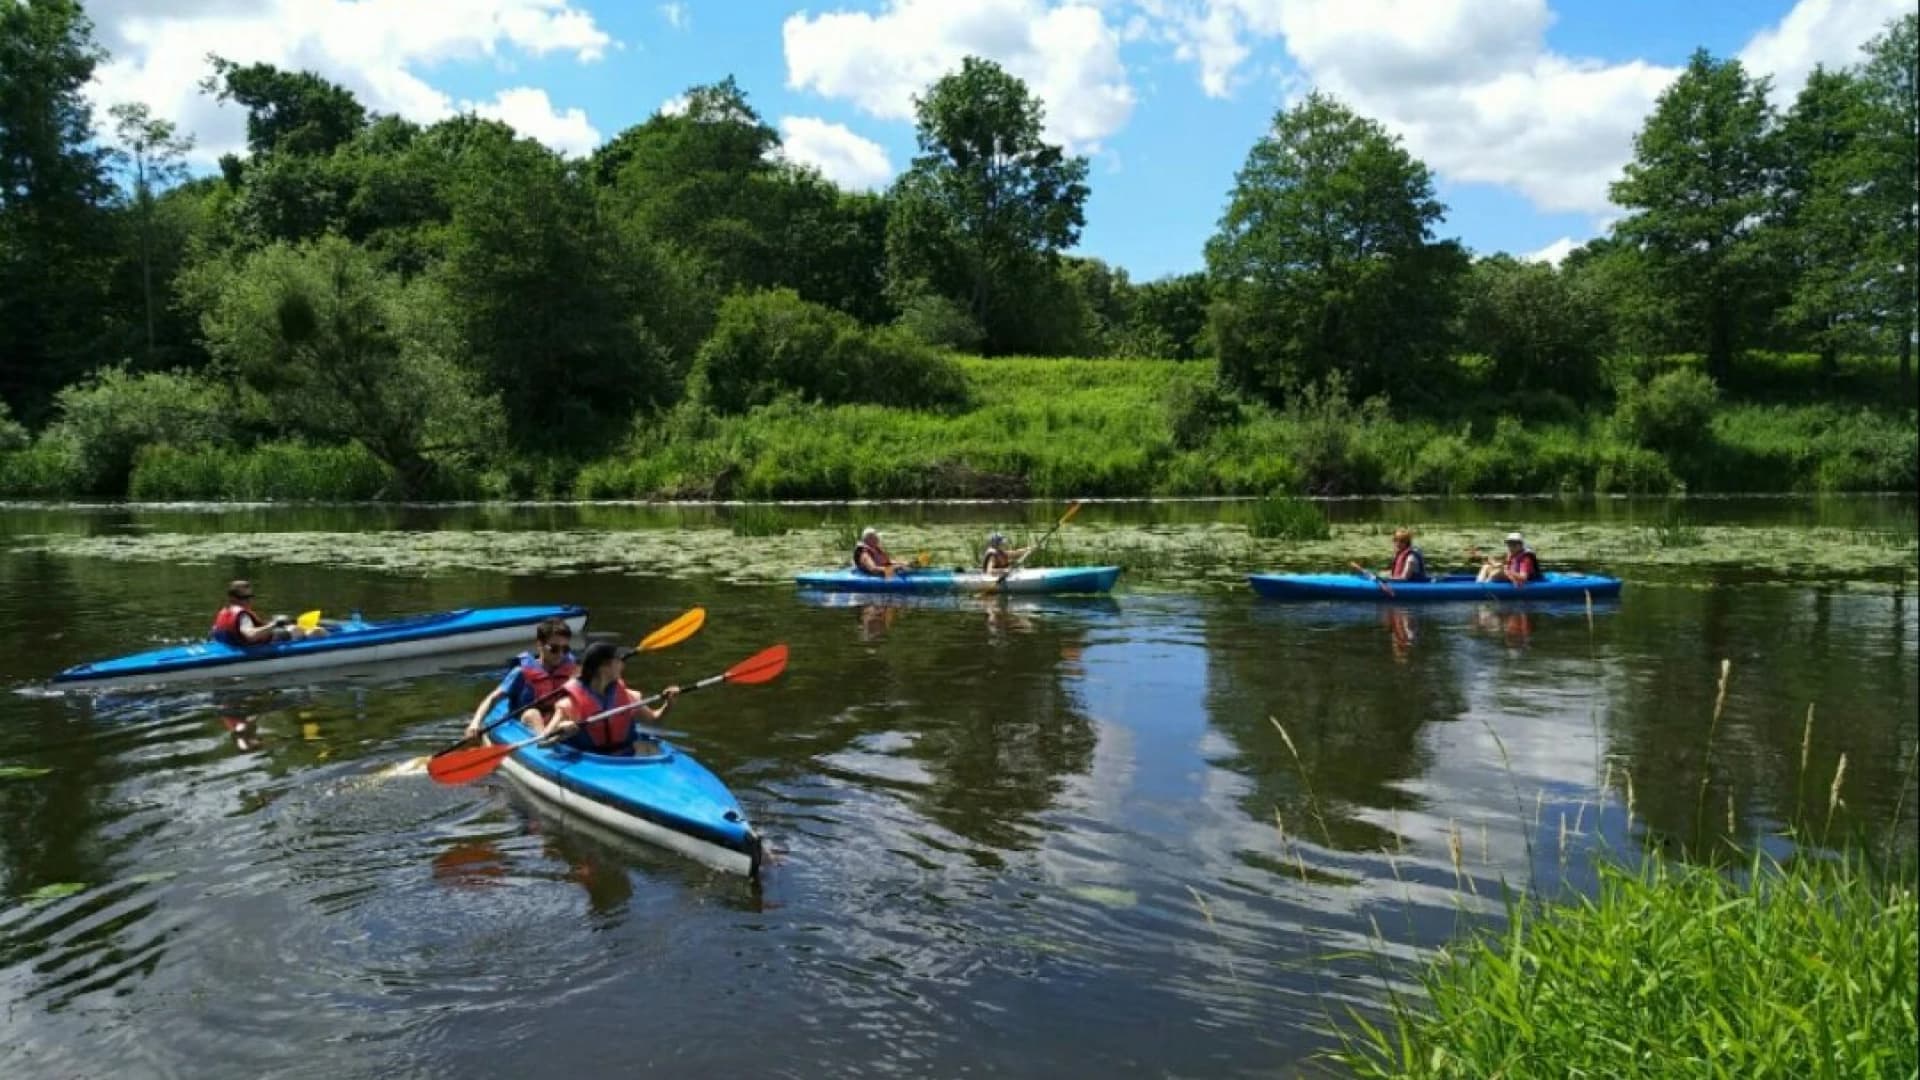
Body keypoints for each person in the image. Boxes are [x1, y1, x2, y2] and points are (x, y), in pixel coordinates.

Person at [540, 641, 679, 757]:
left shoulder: (626, 696)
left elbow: (655, 719)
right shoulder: (570, 705)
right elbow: (544, 741)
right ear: (604, 667)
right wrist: (561, 728)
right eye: (618, 661)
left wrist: (669, 704)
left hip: (627, 757)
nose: (622, 665)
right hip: (590, 761)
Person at [465, 617, 578, 737]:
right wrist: (475, 723)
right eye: (554, 649)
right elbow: (493, 698)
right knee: (532, 714)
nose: (560, 654)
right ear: (539, 645)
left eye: (565, 649)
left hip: (555, 718)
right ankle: (544, 739)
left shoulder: (570, 670)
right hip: (526, 722)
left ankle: (556, 734)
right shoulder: (521, 672)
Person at [210, 579, 325, 646]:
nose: (249, 600)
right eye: (244, 597)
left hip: (232, 644)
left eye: (250, 596)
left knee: (294, 627)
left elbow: (215, 631)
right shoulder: (243, 616)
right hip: (260, 645)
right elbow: (251, 635)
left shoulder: (225, 611)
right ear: (233, 598)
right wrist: (275, 624)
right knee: (315, 631)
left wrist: (270, 624)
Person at [1475, 531, 1541, 585]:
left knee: (1495, 573)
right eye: (1509, 544)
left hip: (1527, 581)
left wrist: (1507, 571)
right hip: (1511, 576)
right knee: (1486, 567)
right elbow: (1502, 564)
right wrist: (1493, 563)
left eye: (1514, 544)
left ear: (1521, 545)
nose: (1511, 547)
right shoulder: (1512, 554)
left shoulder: (1525, 559)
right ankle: (1478, 585)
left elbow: (1523, 578)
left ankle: (1484, 589)